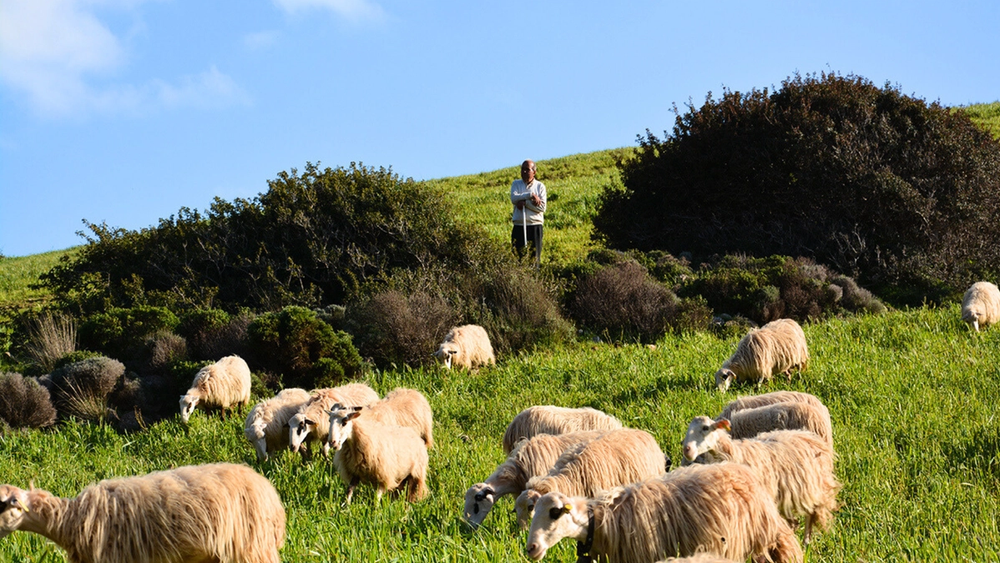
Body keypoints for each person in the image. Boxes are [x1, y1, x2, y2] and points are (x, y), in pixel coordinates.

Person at [510, 159, 547, 267]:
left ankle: (533, 282)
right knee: (517, 258)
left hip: (535, 226)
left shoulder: (540, 187)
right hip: (519, 226)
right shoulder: (516, 184)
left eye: (527, 169)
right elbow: (514, 198)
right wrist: (530, 195)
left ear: (534, 172)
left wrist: (525, 203)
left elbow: (542, 207)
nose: (524, 172)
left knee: (534, 259)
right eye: (522, 169)